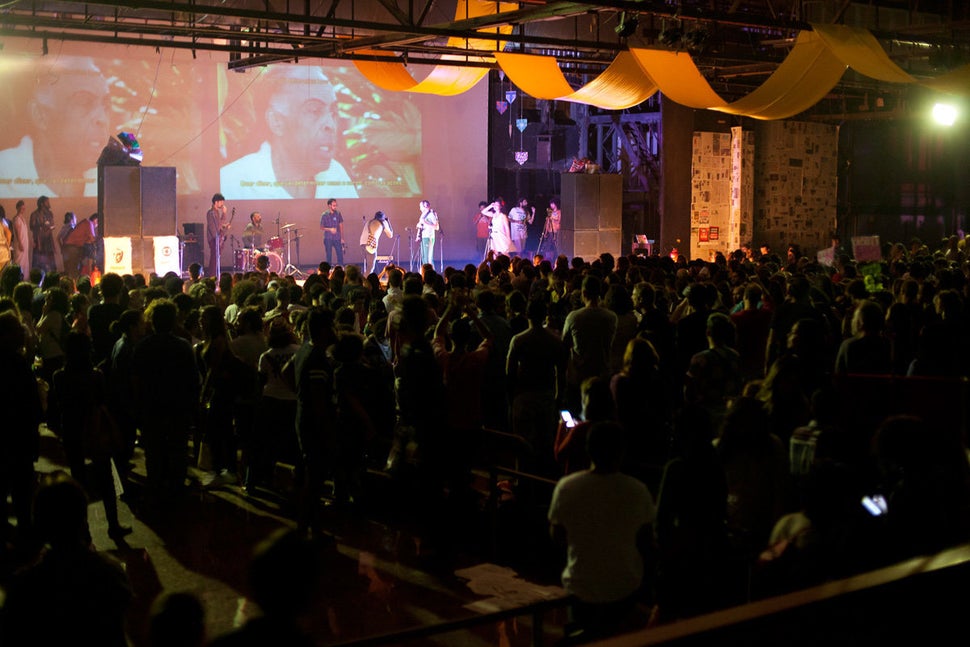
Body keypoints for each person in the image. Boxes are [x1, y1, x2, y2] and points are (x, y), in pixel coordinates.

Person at [548, 421, 656, 640]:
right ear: (622, 451)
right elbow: (646, 542)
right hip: (624, 587)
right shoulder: (637, 490)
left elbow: (557, 536)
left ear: (587, 449)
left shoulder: (568, 486)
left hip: (581, 584)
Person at [220, 66, 358, 200]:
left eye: (333, 112)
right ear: (276, 122)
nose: (331, 125)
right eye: (314, 110)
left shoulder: (335, 174)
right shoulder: (231, 183)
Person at [0, 56, 109, 198]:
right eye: (84, 102)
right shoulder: (4, 170)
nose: (102, 119)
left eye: (106, 105)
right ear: (40, 115)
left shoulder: (110, 181)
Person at [63, 212, 99, 278]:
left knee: (73, 270)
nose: (97, 225)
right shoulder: (89, 223)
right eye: (98, 222)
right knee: (73, 271)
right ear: (95, 220)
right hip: (72, 248)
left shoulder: (85, 223)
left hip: (70, 248)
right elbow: (92, 239)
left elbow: (88, 240)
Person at [360, 210, 394, 274]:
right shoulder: (383, 222)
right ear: (383, 218)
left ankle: (363, 279)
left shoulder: (369, 222)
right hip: (370, 246)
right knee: (370, 267)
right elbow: (390, 235)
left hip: (362, 244)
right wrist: (388, 222)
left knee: (366, 266)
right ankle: (366, 282)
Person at [206, 192, 231, 279]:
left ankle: (214, 275)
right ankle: (212, 276)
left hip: (217, 237)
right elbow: (215, 226)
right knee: (214, 258)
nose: (222, 204)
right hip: (214, 238)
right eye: (221, 202)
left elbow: (219, 224)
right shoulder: (211, 212)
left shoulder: (216, 212)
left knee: (216, 258)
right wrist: (224, 214)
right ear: (216, 202)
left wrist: (224, 227)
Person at [29, 195, 56, 272]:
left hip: (48, 241)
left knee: (50, 263)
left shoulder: (50, 213)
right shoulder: (34, 214)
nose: (49, 203)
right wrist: (41, 226)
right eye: (47, 202)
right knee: (38, 263)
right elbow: (32, 226)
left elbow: (53, 225)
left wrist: (49, 227)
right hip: (39, 241)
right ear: (42, 204)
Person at [320, 198, 345, 266]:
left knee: (340, 253)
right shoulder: (324, 215)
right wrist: (330, 229)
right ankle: (328, 271)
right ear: (329, 205)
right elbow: (321, 227)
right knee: (329, 255)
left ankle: (341, 268)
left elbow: (341, 226)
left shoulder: (338, 214)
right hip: (328, 238)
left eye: (336, 205)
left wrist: (342, 238)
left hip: (337, 237)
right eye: (334, 205)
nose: (335, 207)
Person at [415, 199, 439, 266]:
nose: (420, 208)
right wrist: (418, 235)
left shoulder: (432, 214)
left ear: (425, 206)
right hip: (423, 237)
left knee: (429, 258)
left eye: (421, 206)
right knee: (424, 258)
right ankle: (425, 273)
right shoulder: (422, 215)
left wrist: (425, 222)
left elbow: (436, 227)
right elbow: (421, 225)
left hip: (429, 237)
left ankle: (432, 273)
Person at [10, 200, 30, 275]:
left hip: (25, 242)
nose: (23, 210)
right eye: (22, 208)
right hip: (19, 243)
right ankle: (18, 277)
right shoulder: (16, 219)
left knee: (25, 261)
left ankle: (25, 277)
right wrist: (20, 243)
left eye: (24, 208)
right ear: (18, 208)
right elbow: (17, 232)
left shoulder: (23, 219)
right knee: (19, 261)